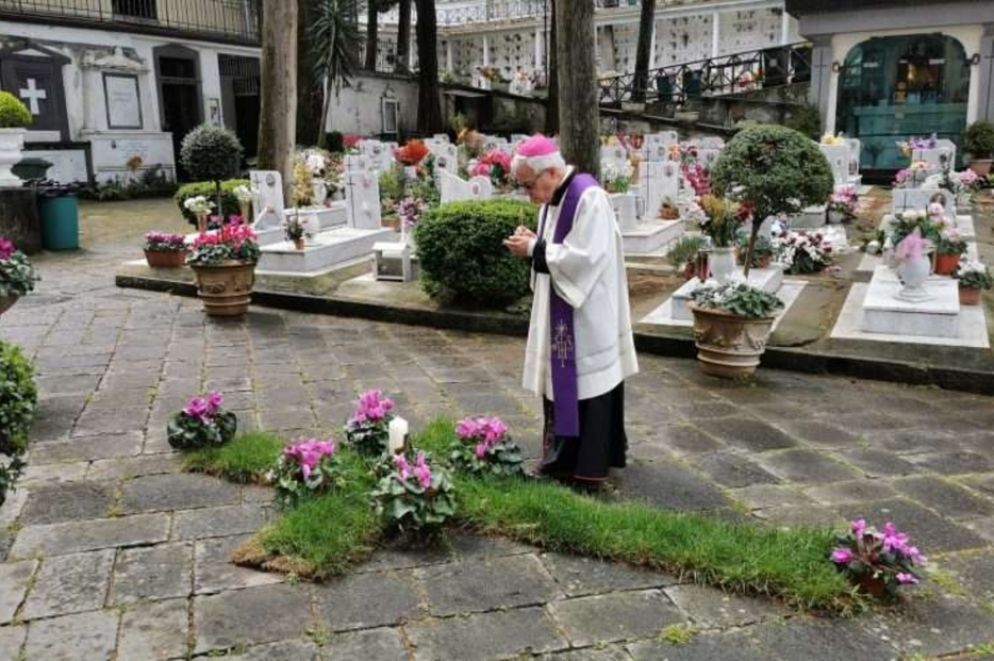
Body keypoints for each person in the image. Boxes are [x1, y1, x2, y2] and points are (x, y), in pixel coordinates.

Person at [503, 134, 638, 489]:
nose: (528, 193)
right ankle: (562, 460)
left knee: (589, 388)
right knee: (564, 387)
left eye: (529, 185)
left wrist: (534, 248)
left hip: (587, 314)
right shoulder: (554, 198)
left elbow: (585, 259)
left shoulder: (588, 197)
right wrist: (535, 241)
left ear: (549, 171)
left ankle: (588, 468)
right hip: (564, 310)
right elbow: (560, 248)